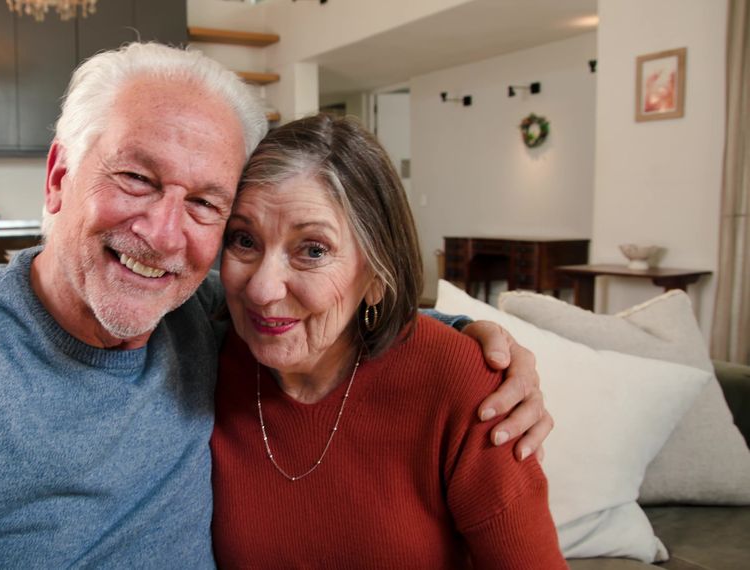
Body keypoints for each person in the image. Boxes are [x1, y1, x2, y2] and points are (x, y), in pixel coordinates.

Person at [0, 43, 552, 567]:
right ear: (58, 178)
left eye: (205, 204)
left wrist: (475, 341)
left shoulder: (201, 313)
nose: (162, 236)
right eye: (135, 178)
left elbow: (331, 321)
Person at [211, 114, 565, 568]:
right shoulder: (206, 357)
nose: (262, 289)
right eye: (244, 240)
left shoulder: (462, 382)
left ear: (377, 276)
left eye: (313, 249)